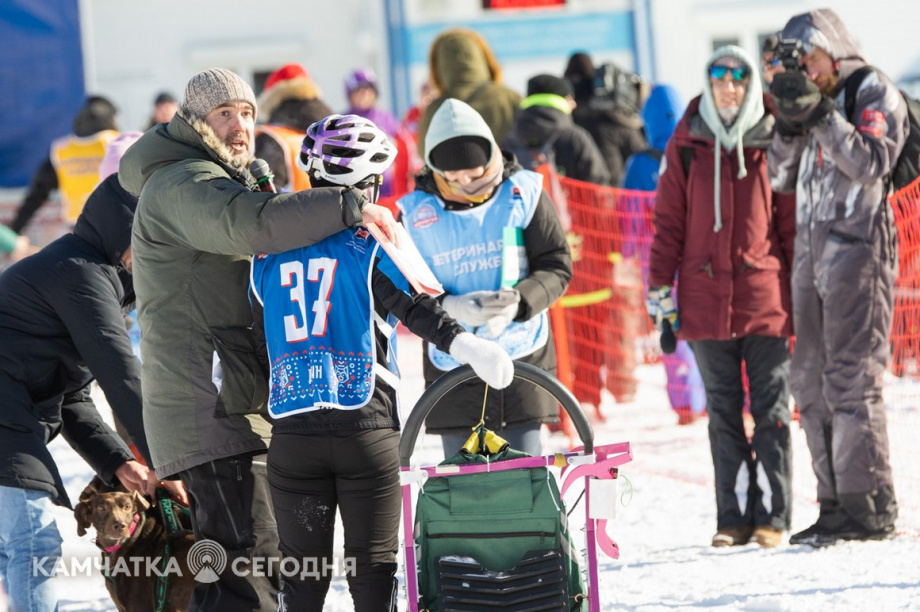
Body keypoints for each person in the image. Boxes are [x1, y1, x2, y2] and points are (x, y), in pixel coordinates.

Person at [117, 67, 400, 611]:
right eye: (224, 114)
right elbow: (252, 227)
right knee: (245, 573)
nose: (240, 125)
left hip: (233, 399)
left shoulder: (212, 174)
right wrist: (348, 206)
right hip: (208, 407)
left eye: (247, 112)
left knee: (248, 567)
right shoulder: (183, 183)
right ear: (195, 121)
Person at [250, 113, 514, 611]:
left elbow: (252, 335)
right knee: (372, 574)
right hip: (364, 431)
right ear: (365, 184)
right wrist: (468, 346)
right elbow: (417, 308)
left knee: (302, 581)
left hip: (291, 435)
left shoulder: (266, 252)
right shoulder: (370, 241)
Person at [0, 154, 185, 612]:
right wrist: (171, 462)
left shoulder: (98, 277)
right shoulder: (81, 274)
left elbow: (73, 400)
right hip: (7, 410)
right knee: (32, 539)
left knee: (15, 545)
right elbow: (121, 374)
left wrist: (120, 462)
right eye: (149, 240)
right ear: (125, 233)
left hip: (15, 407)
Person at [647, 46, 796, 548]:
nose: (728, 88)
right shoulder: (687, 144)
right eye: (719, 78)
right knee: (724, 412)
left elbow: (790, 225)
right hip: (704, 299)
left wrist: (800, 292)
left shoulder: (773, 138)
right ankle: (732, 518)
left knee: (772, 408)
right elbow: (667, 224)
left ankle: (773, 515)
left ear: (750, 84)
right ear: (708, 84)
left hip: (764, 297)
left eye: (737, 78)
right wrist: (658, 287)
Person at [768, 9, 906, 546]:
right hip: (811, 250)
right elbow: (780, 176)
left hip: (859, 249)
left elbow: (873, 160)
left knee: (852, 378)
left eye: (810, 58)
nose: (805, 69)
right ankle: (832, 503)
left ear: (834, 50)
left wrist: (823, 113)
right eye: (796, 61)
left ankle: (868, 505)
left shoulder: (873, 90)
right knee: (810, 380)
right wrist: (787, 119)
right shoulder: (810, 102)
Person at [398, 98, 573, 457]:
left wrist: (521, 302)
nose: (465, 183)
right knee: (464, 488)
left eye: (475, 173)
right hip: (453, 361)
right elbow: (405, 288)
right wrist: (451, 306)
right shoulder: (415, 213)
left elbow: (556, 263)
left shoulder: (524, 192)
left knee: (523, 476)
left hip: (524, 355)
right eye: (453, 176)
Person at [623, 85, 707, 425]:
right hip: (700, 256)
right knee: (708, 328)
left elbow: (628, 215)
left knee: (670, 327)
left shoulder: (640, 164)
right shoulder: (699, 151)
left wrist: (628, 254)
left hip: (656, 260)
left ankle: (685, 404)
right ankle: (720, 398)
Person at [10, 95, 120, 234]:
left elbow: (37, 193)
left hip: (78, 227)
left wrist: (15, 229)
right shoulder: (115, 144)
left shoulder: (62, 149)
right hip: (115, 224)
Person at [417, 28, 522, 157]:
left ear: (439, 65)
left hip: (458, 177)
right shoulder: (510, 97)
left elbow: (424, 155)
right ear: (482, 57)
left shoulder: (437, 108)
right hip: (511, 174)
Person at [503, 73, 611, 185]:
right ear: (560, 100)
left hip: (524, 201)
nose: (574, 104)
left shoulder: (509, 141)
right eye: (570, 98)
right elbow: (598, 182)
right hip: (569, 202)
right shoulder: (575, 137)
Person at [563, 52, 647, 186]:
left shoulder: (564, 119)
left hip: (572, 194)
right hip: (612, 192)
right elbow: (641, 153)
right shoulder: (613, 116)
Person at [255, 62, 334, 191]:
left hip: (293, 210)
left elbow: (265, 197)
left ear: (271, 98)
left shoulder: (272, 137)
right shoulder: (335, 131)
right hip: (336, 209)